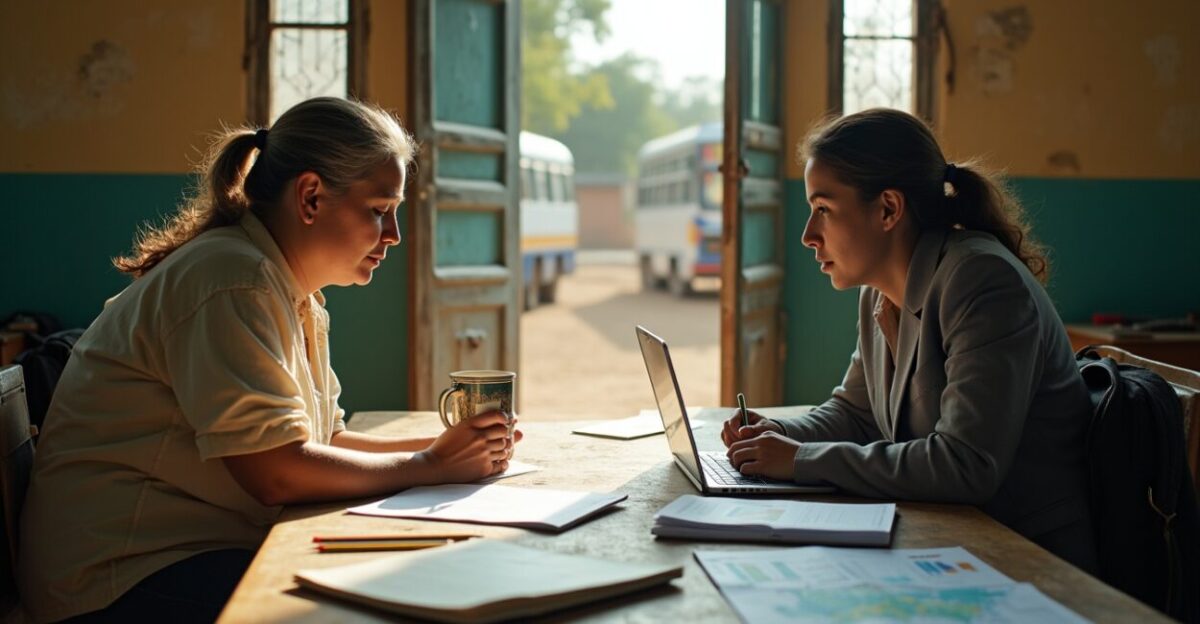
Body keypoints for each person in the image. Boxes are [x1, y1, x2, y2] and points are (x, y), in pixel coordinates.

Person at [19, 97, 520, 623]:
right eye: (379, 211)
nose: (394, 234)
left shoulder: (289, 289)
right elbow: (277, 473)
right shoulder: (233, 278)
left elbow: (324, 443)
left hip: (177, 556)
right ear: (310, 197)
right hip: (115, 579)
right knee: (369, 608)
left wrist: (449, 450)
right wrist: (428, 467)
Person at [721, 108, 1097, 571]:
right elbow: (855, 413)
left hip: (1029, 562)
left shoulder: (982, 281)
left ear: (888, 209)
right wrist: (777, 436)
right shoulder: (879, 294)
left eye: (823, 210)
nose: (808, 236)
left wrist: (801, 459)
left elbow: (964, 464)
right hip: (952, 542)